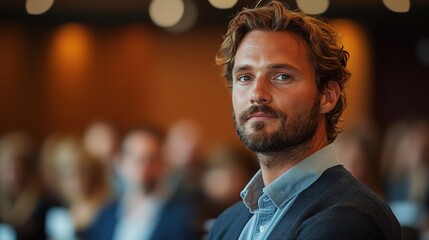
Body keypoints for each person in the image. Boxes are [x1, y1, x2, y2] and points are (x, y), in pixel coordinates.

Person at [208, 1, 401, 239]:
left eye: (281, 76)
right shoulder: (227, 224)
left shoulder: (348, 218)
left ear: (327, 96)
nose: (257, 94)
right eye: (245, 77)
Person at [86, 125, 197, 240]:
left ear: (163, 163)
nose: (142, 166)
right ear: (119, 162)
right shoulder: (105, 214)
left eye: (150, 158)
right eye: (133, 157)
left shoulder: (184, 216)